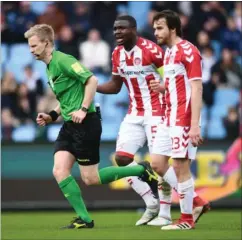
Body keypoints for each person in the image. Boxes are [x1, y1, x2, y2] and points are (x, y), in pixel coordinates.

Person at [24, 24, 158, 229]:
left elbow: (92, 80)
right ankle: (85, 219)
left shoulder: (64, 61)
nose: (31, 50)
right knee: (59, 170)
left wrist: (84, 109)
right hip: (70, 125)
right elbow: (68, 96)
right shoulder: (50, 66)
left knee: (91, 179)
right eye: (29, 46)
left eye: (34, 45)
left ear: (47, 43)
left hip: (86, 123)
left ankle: (140, 169)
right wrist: (53, 115)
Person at [96, 15, 208, 227]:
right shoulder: (117, 53)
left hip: (159, 112)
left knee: (163, 165)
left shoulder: (155, 50)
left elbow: (180, 81)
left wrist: (165, 90)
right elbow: (115, 85)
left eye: (122, 28)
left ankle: (169, 213)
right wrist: (91, 85)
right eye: (114, 28)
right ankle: (152, 202)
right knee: (122, 158)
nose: (117, 32)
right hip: (135, 112)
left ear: (134, 29)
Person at [151, 10, 209, 230]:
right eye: (155, 28)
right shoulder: (168, 53)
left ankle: (186, 220)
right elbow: (178, 84)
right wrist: (163, 87)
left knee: (180, 166)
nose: (156, 32)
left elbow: (196, 87)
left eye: (160, 28)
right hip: (168, 116)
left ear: (172, 29)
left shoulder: (189, 51)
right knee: (157, 162)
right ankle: (196, 201)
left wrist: (194, 125)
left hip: (183, 118)